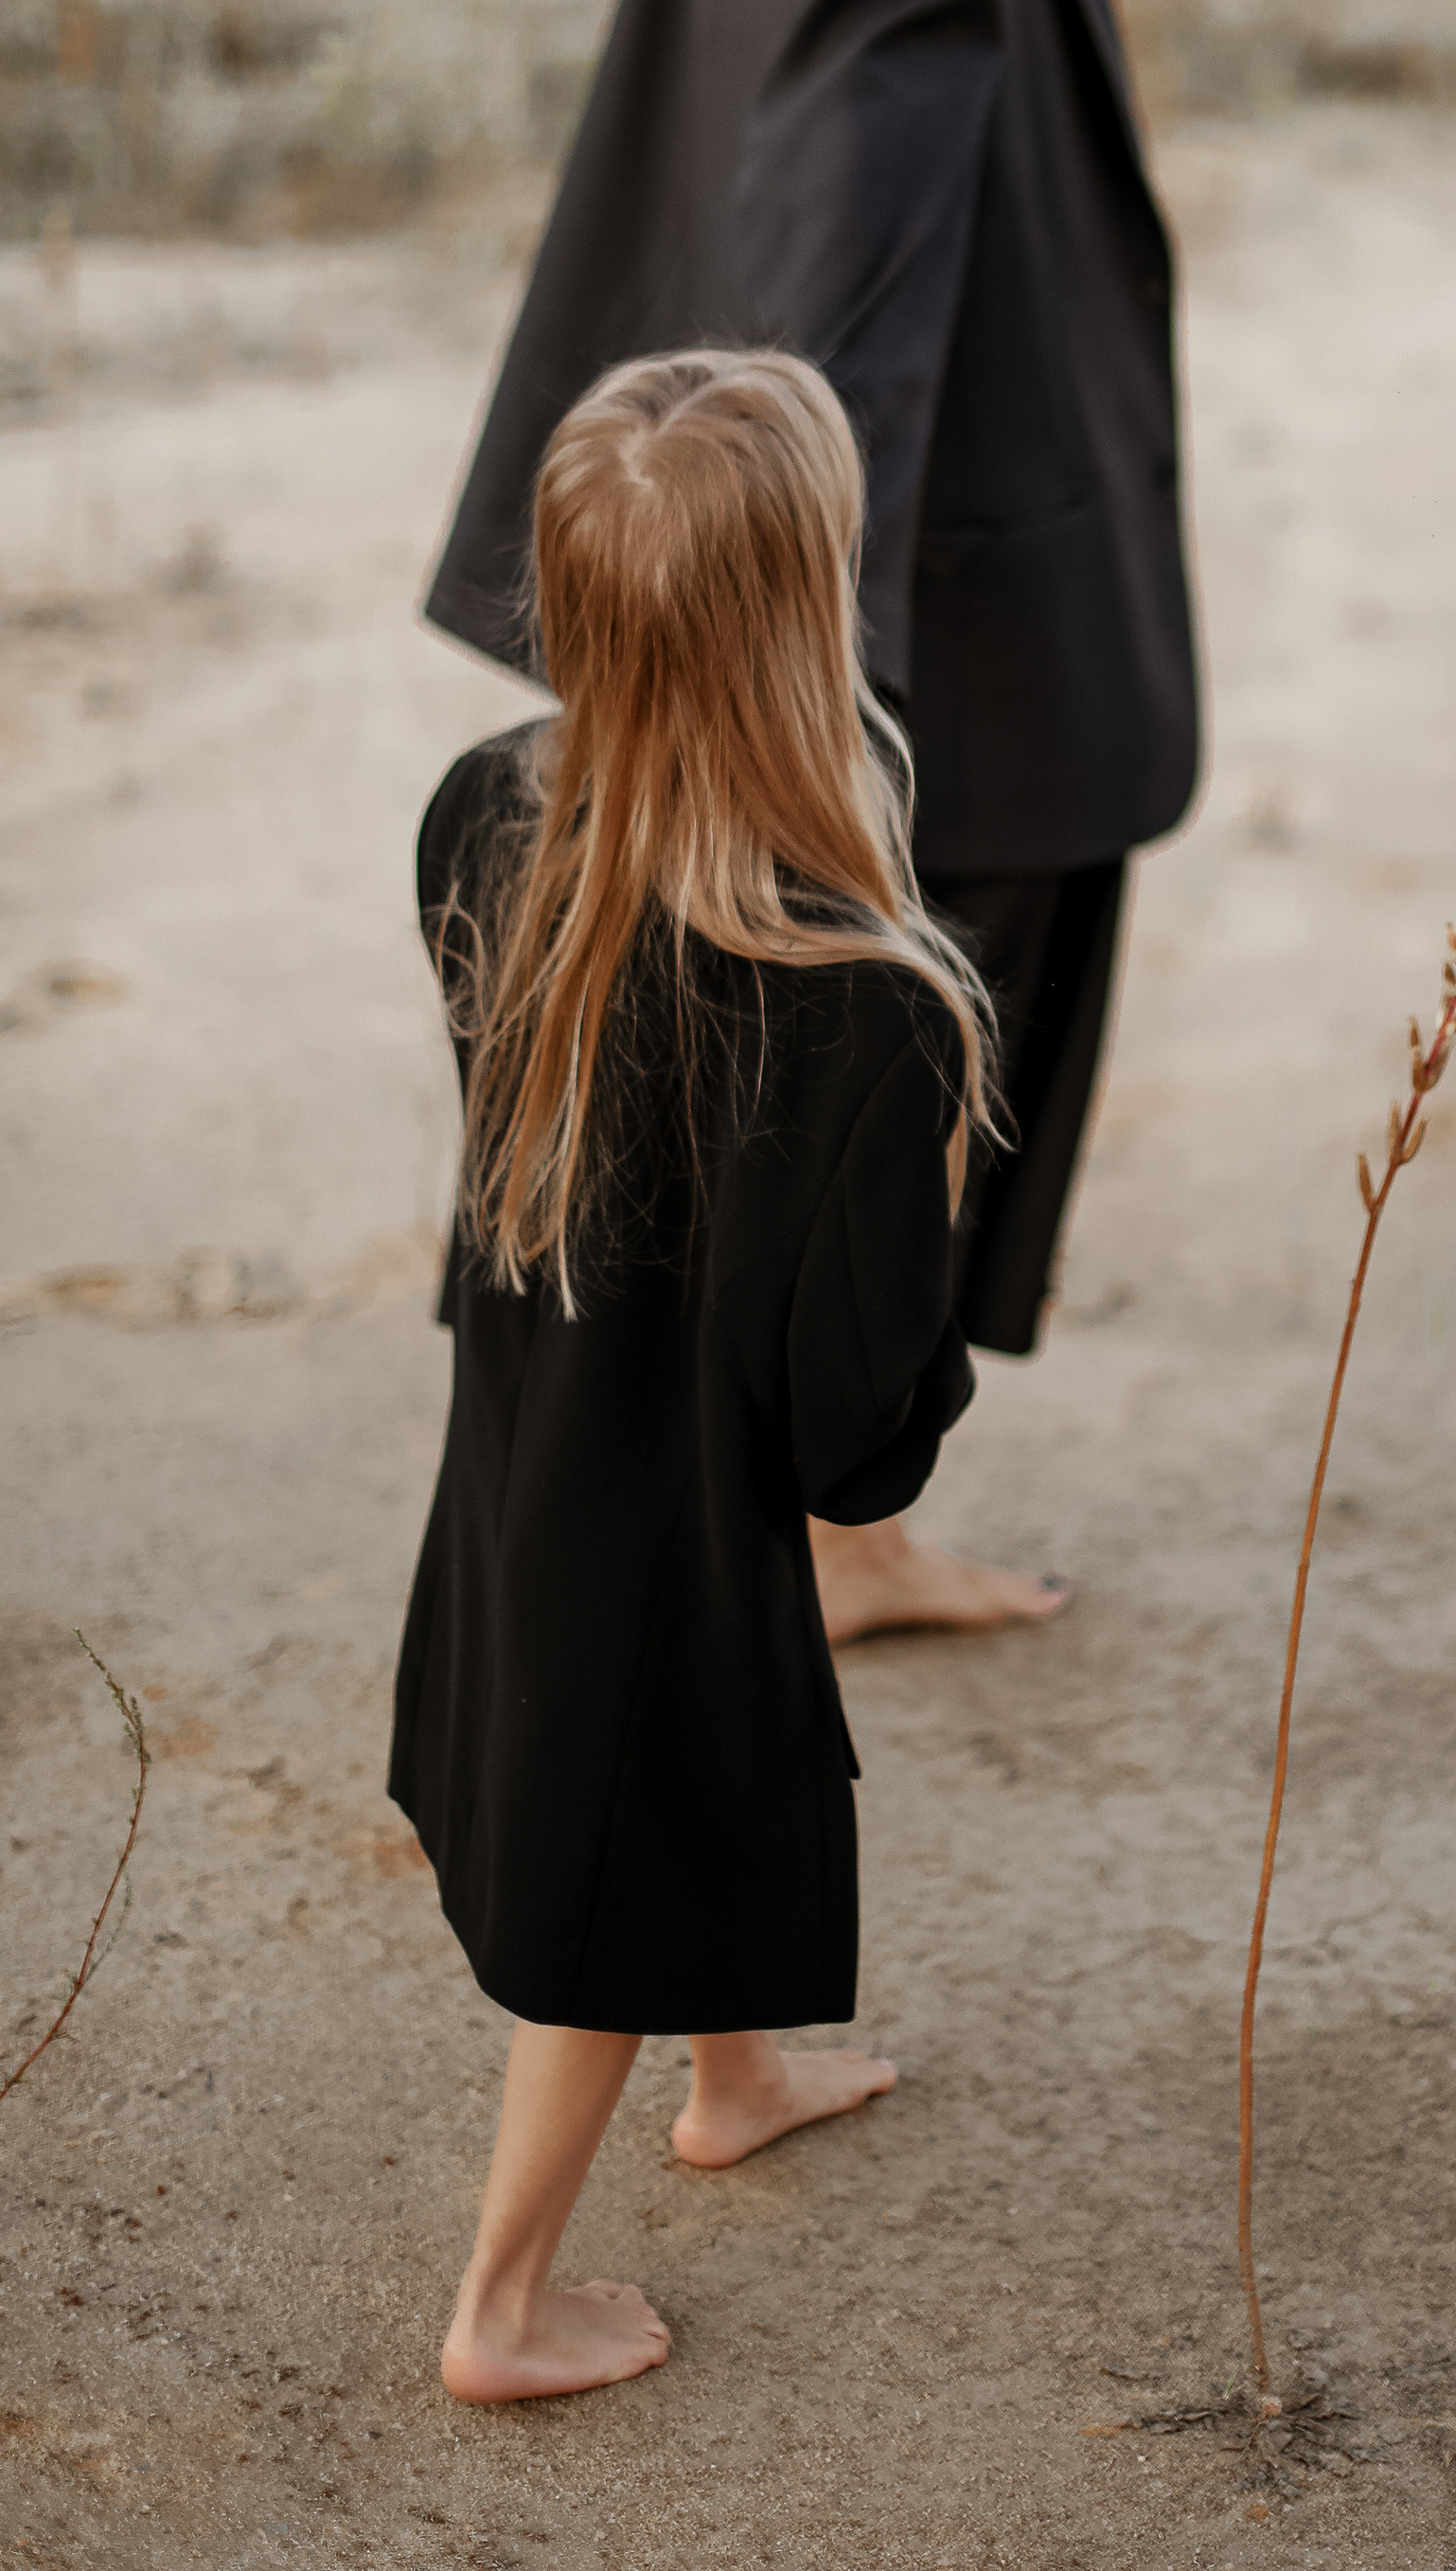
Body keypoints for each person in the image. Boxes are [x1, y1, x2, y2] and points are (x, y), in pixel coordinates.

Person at [423, 0, 1201, 1646]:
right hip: (910, 597)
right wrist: (810, 693)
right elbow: (832, 264)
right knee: (858, 1125)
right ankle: (769, 1579)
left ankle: (837, 1550)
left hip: (813, 558)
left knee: (780, 1123)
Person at [393, 346, 991, 2402]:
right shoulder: (865, 1003)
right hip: (667, 1537)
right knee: (605, 1900)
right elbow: (851, 1454)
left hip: (530, 1453)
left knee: (711, 1801)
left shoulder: (483, 811)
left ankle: (735, 2084)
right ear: (811, 603)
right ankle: (498, 2306)